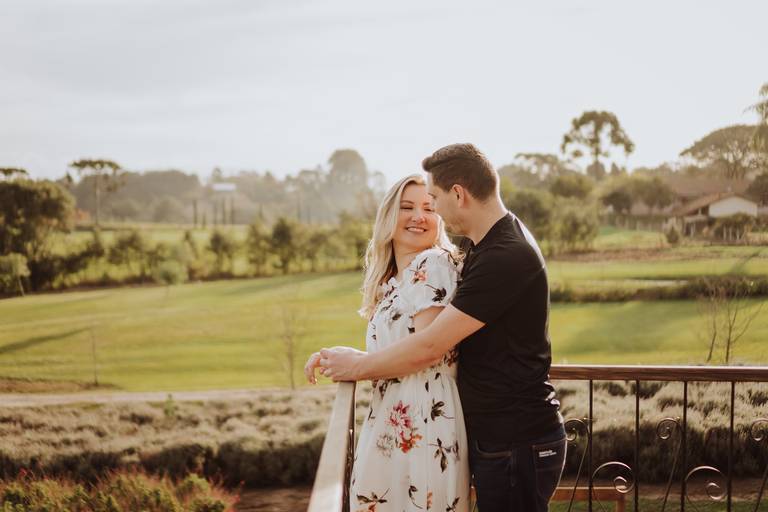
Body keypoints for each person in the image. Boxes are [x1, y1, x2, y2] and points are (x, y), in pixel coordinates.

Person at [306, 143, 565, 512]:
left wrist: (356, 366)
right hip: (501, 438)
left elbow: (431, 348)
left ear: (458, 194)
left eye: (435, 199)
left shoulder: (505, 255)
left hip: (517, 440)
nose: (434, 210)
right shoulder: (488, 246)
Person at [306, 174, 470, 511]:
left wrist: (359, 366)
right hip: (392, 419)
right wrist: (341, 358)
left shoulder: (434, 263)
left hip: (425, 420)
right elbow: (398, 348)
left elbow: (428, 350)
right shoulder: (393, 281)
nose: (418, 216)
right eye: (406, 207)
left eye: (428, 207)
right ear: (388, 217)